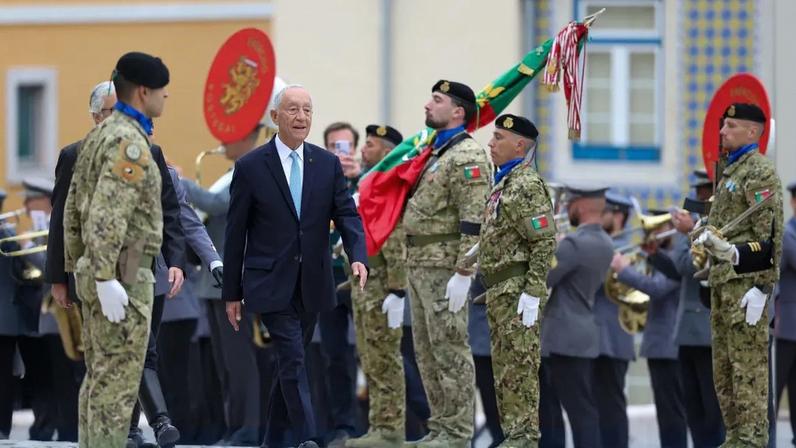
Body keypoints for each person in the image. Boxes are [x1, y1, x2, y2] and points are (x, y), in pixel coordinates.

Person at [222, 84, 368, 448]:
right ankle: (307, 438)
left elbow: (347, 215)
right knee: (293, 357)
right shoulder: (251, 167)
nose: (301, 117)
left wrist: (358, 255)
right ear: (275, 117)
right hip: (269, 282)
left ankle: (272, 440)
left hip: (313, 281)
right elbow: (236, 233)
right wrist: (232, 293)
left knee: (290, 363)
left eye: (307, 110)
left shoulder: (327, 164)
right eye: (292, 110)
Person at [44, 79, 187, 448]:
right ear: (96, 116)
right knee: (116, 353)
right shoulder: (76, 154)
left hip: (141, 263)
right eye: (113, 111)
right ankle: (150, 424)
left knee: (141, 348)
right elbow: (63, 219)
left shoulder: (149, 152)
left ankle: (131, 429)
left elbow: (170, 211)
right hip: (100, 268)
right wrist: (58, 277)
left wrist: (177, 261)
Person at [400, 79, 490, 447]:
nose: (427, 105)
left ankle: (457, 433)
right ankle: (439, 427)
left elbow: (476, 218)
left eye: (436, 100)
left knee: (450, 349)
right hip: (420, 263)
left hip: (444, 267)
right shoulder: (437, 153)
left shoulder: (467, 156)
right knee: (426, 352)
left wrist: (464, 273)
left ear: (457, 112)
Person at [694, 102, 784, 447]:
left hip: (746, 287)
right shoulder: (731, 171)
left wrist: (763, 287)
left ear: (752, 131)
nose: (722, 132)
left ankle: (751, 441)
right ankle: (734, 438)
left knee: (749, 374)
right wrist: (704, 233)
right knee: (725, 373)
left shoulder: (759, 171)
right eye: (724, 125)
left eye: (731, 126)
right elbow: (726, 226)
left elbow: (769, 237)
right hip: (722, 285)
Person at [181, 121, 263, 446]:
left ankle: (248, 427)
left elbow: (215, 204)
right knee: (224, 361)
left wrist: (178, 182)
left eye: (231, 136)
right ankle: (234, 426)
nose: (222, 142)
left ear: (250, 136)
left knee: (239, 359)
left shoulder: (250, 172)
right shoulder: (230, 174)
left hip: (234, 280)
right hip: (214, 281)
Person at [476, 114, 556, 447]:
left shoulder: (526, 184)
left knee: (519, 368)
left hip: (516, 290)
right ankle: (513, 436)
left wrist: (533, 290)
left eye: (499, 138)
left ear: (519, 145)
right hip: (499, 290)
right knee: (505, 370)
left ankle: (523, 438)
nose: (491, 144)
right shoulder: (504, 183)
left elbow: (544, 240)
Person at [346, 124, 407, 448]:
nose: (362, 150)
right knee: (369, 358)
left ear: (387, 151)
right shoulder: (368, 184)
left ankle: (391, 427)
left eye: (369, 145)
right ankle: (378, 426)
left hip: (382, 283)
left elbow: (394, 239)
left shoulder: (388, 185)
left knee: (385, 358)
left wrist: (397, 289)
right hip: (364, 282)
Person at [539, 186, 613, 448]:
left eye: (569, 205)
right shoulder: (606, 242)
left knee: (562, 411)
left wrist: (549, 245)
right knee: (582, 409)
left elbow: (544, 277)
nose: (567, 210)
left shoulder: (574, 244)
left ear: (579, 207)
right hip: (582, 334)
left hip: (562, 337)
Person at [158, 165, 223, 444]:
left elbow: (191, 228)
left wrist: (214, 260)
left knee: (179, 376)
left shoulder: (169, 180)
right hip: (155, 294)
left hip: (176, 302)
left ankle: (180, 429)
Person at [611, 217, 688, 448]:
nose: (652, 232)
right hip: (660, 346)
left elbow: (657, 288)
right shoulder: (664, 257)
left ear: (671, 230)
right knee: (666, 414)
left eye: (658, 228)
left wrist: (624, 270)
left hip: (668, 346)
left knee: (672, 414)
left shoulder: (677, 257)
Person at [671, 170, 726, 447]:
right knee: (693, 408)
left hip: (707, 332)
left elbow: (687, 265)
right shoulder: (698, 230)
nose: (699, 197)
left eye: (703, 192)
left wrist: (689, 231)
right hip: (689, 332)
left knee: (711, 410)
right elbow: (678, 264)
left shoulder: (719, 230)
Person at [317, 121, 362, 446]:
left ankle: (391, 424)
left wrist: (359, 177)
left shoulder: (368, 179)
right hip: (329, 275)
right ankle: (343, 424)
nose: (340, 153)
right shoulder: (319, 179)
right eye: (334, 147)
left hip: (360, 274)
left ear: (355, 150)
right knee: (334, 354)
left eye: (345, 147)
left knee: (375, 351)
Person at [593, 191, 636, 448]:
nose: (598, 217)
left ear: (618, 216)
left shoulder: (626, 250)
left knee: (611, 406)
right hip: (595, 339)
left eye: (604, 212)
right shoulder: (602, 245)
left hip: (614, 338)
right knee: (597, 407)